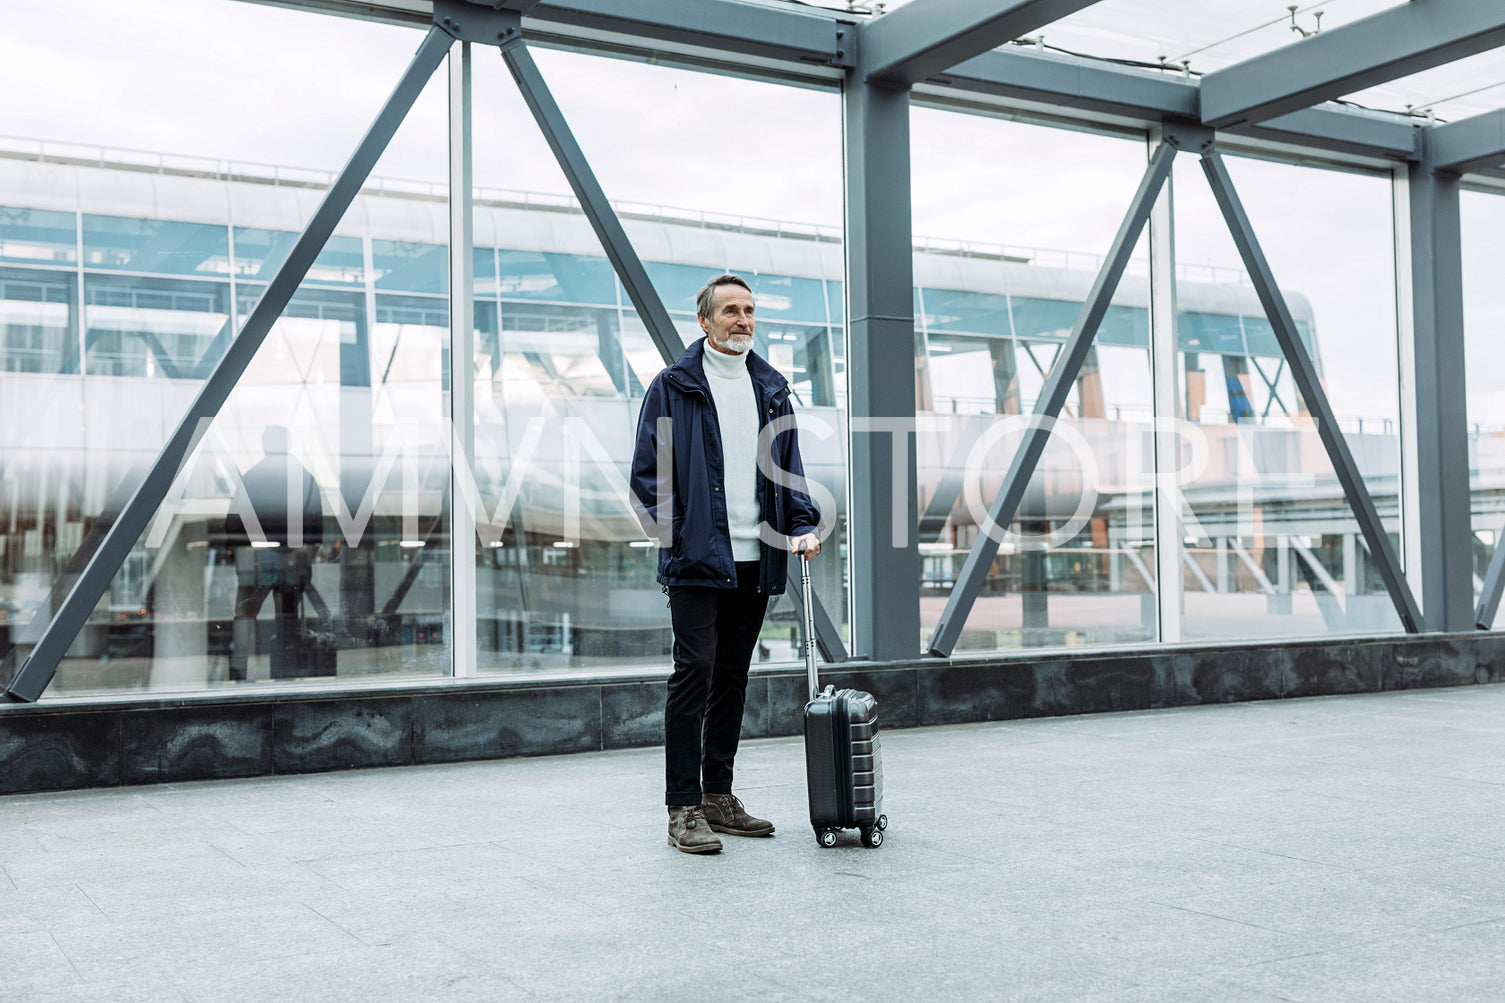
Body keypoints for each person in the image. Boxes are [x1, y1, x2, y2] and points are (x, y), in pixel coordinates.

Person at [630, 273, 823, 854]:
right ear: (705, 321)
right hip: (696, 561)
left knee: (733, 679)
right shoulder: (674, 386)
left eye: (750, 311)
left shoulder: (771, 387)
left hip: (754, 560)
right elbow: (647, 475)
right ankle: (683, 807)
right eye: (731, 310)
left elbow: (788, 469)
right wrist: (678, 539)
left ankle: (718, 795)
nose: (743, 320)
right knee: (694, 676)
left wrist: (803, 523)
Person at [224, 425, 326, 681]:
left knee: (245, 616)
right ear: (288, 445)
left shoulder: (251, 478)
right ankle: (285, 675)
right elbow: (317, 528)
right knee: (287, 618)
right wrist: (304, 553)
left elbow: (232, 525)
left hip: (257, 559)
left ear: (264, 445)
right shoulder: (305, 477)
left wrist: (239, 555)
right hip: (294, 559)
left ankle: (239, 673)